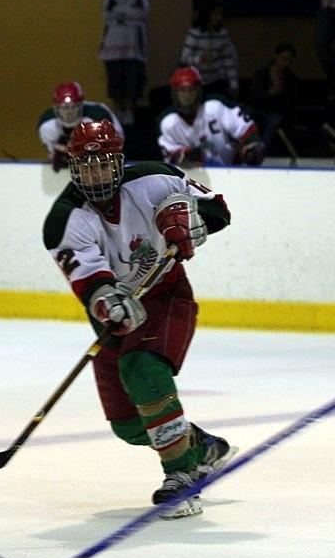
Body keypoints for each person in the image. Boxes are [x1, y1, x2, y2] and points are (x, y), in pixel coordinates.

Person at [43, 119, 235, 519]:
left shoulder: (156, 179)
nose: (97, 175)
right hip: (112, 313)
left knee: (142, 368)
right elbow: (90, 282)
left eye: (104, 164)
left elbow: (218, 208)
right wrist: (107, 301)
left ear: (119, 162)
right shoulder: (64, 220)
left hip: (166, 294)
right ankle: (200, 448)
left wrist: (190, 219)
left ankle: (182, 478)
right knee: (128, 423)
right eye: (87, 166)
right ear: (74, 168)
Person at [158, 66, 265, 167]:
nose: (187, 95)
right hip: (193, 177)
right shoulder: (168, 123)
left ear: (198, 91)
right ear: (175, 93)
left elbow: (246, 129)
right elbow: (171, 158)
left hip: (231, 170)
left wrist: (253, 145)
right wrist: (185, 157)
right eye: (182, 91)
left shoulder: (214, 107)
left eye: (191, 90)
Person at [37, 81, 123, 172]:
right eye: (64, 108)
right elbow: (52, 154)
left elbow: (117, 144)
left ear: (81, 105)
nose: (68, 113)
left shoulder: (98, 117)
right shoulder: (47, 125)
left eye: (73, 107)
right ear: (56, 108)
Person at [97, 0, 149, 128]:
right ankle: (118, 112)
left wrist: (120, 12)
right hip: (113, 45)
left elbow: (142, 13)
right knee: (115, 79)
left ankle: (129, 112)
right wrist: (129, 13)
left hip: (134, 46)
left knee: (133, 80)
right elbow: (106, 14)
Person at [179, 0, 239, 101]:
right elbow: (184, 59)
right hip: (197, 82)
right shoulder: (195, 34)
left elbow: (228, 61)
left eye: (220, 14)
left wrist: (234, 84)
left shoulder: (222, 34)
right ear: (207, 14)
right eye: (215, 14)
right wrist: (199, 59)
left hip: (217, 81)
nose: (219, 18)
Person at [248, 42, 300, 159]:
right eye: (283, 58)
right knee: (247, 116)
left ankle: (260, 152)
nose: (285, 63)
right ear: (276, 56)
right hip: (259, 108)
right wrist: (269, 93)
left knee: (273, 122)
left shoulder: (290, 78)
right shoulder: (262, 74)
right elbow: (253, 97)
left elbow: (290, 102)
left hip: (276, 112)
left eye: (289, 60)